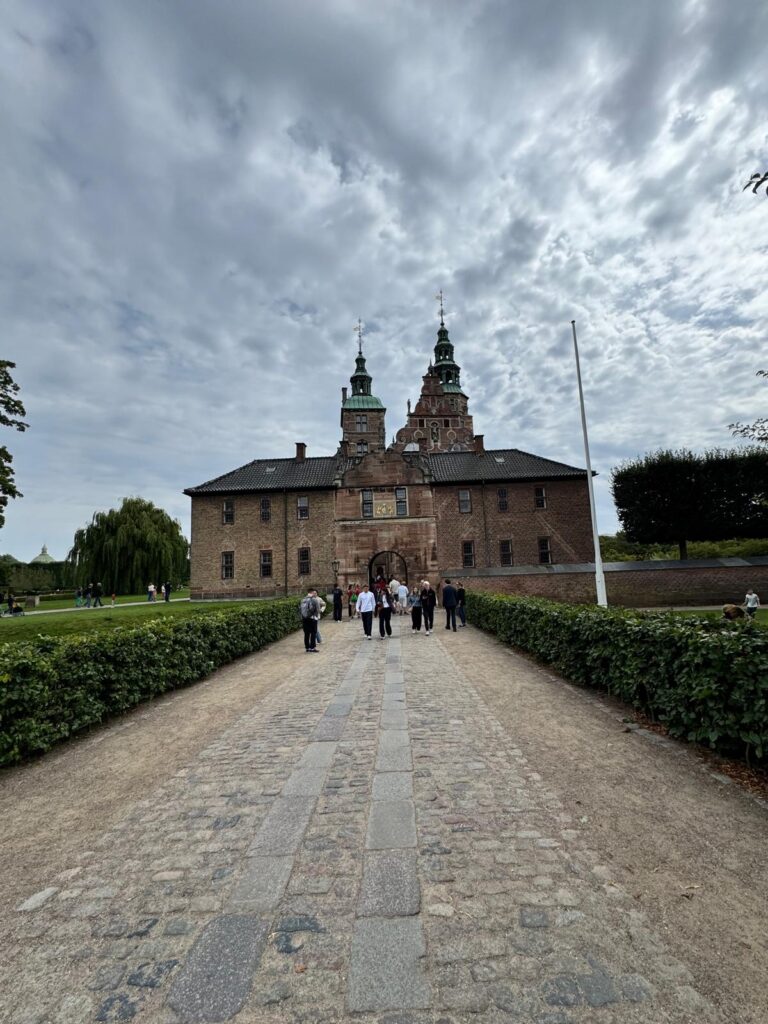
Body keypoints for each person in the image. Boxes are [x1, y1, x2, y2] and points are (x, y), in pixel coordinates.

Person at [300, 588, 320, 653]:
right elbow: (317, 610)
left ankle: (307, 648)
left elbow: (301, 610)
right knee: (313, 633)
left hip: (304, 619)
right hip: (312, 618)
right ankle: (312, 647)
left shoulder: (303, 600)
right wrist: (316, 617)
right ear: (312, 592)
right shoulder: (314, 600)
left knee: (306, 634)